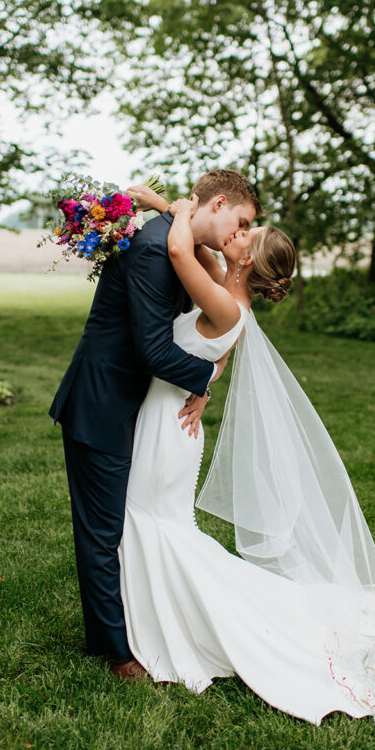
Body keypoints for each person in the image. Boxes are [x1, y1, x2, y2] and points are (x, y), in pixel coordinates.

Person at [117, 190, 375, 750]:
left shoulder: (223, 300)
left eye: (243, 236)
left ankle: (179, 628)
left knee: (156, 522)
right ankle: (158, 617)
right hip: (169, 421)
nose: (235, 235)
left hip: (169, 431)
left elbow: (179, 248)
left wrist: (174, 206)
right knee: (154, 521)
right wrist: (165, 203)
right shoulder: (226, 291)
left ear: (243, 261)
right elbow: (201, 269)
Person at [49, 169, 260, 678]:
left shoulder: (178, 241)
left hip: (140, 407)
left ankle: (139, 625)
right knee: (102, 532)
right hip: (102, 403)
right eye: (242, 220)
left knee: (128, 525)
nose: (240, 232)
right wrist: (204, 381)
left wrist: (171, 208)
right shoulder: (152, 248)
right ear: (221, 203)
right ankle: (116, 653)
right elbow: (152, 350)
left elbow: (213, 305)